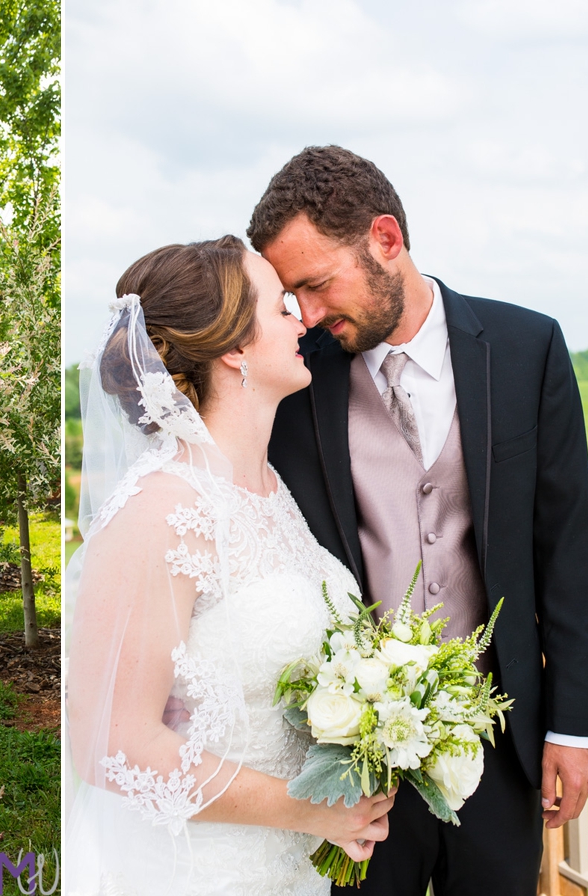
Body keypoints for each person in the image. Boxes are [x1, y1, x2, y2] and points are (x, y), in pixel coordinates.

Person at [248, 145, 588, 895]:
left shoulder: (525, 348)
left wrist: (572, 727)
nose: (308, 315)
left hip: (500, 749)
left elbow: (566, 547)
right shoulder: (296, 376)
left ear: (386, 239)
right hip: (347, 759)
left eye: (315, 285)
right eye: (291, 297)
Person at [65, 236, 395, 895]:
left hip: (288, 868)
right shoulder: (161, 510)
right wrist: (307, 808)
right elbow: (109, 743)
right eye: (280, 307)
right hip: (194, 870)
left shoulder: (269, 489)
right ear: (235, 349)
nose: (303, 316)